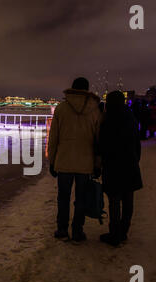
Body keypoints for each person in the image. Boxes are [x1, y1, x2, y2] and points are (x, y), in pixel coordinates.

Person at [48, 77, 102, 242]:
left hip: (64, 161)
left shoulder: (61, 108)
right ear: (87, 90)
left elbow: (54, 138)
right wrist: (97, 163)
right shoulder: (95, 109)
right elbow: (98, 140)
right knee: (81, 198)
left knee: (63, 197)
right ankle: (77, 231)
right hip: (85, 163)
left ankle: (62, 229)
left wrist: (52, 161)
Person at [99, 91, 143, 247]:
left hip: (113, 166)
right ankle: (123, 231)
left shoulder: (107, 120)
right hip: (129, 164)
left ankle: (114, 233)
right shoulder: (130, 118)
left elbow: (102, 146)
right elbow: (137, 143)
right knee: (128, 200)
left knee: (114, 201)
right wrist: (135, 159)